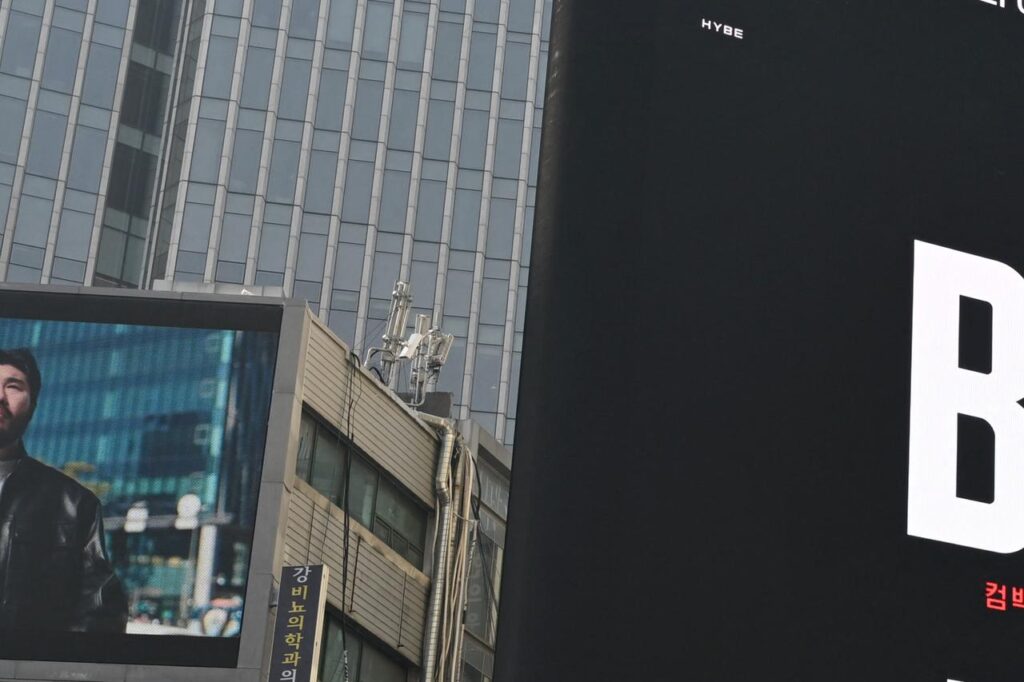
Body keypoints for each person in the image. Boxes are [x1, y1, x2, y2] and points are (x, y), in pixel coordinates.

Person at [0, 347, 127, 632]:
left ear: (32, 405)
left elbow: (100, 612)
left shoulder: (75, 504)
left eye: (13, 386)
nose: (0, 396)